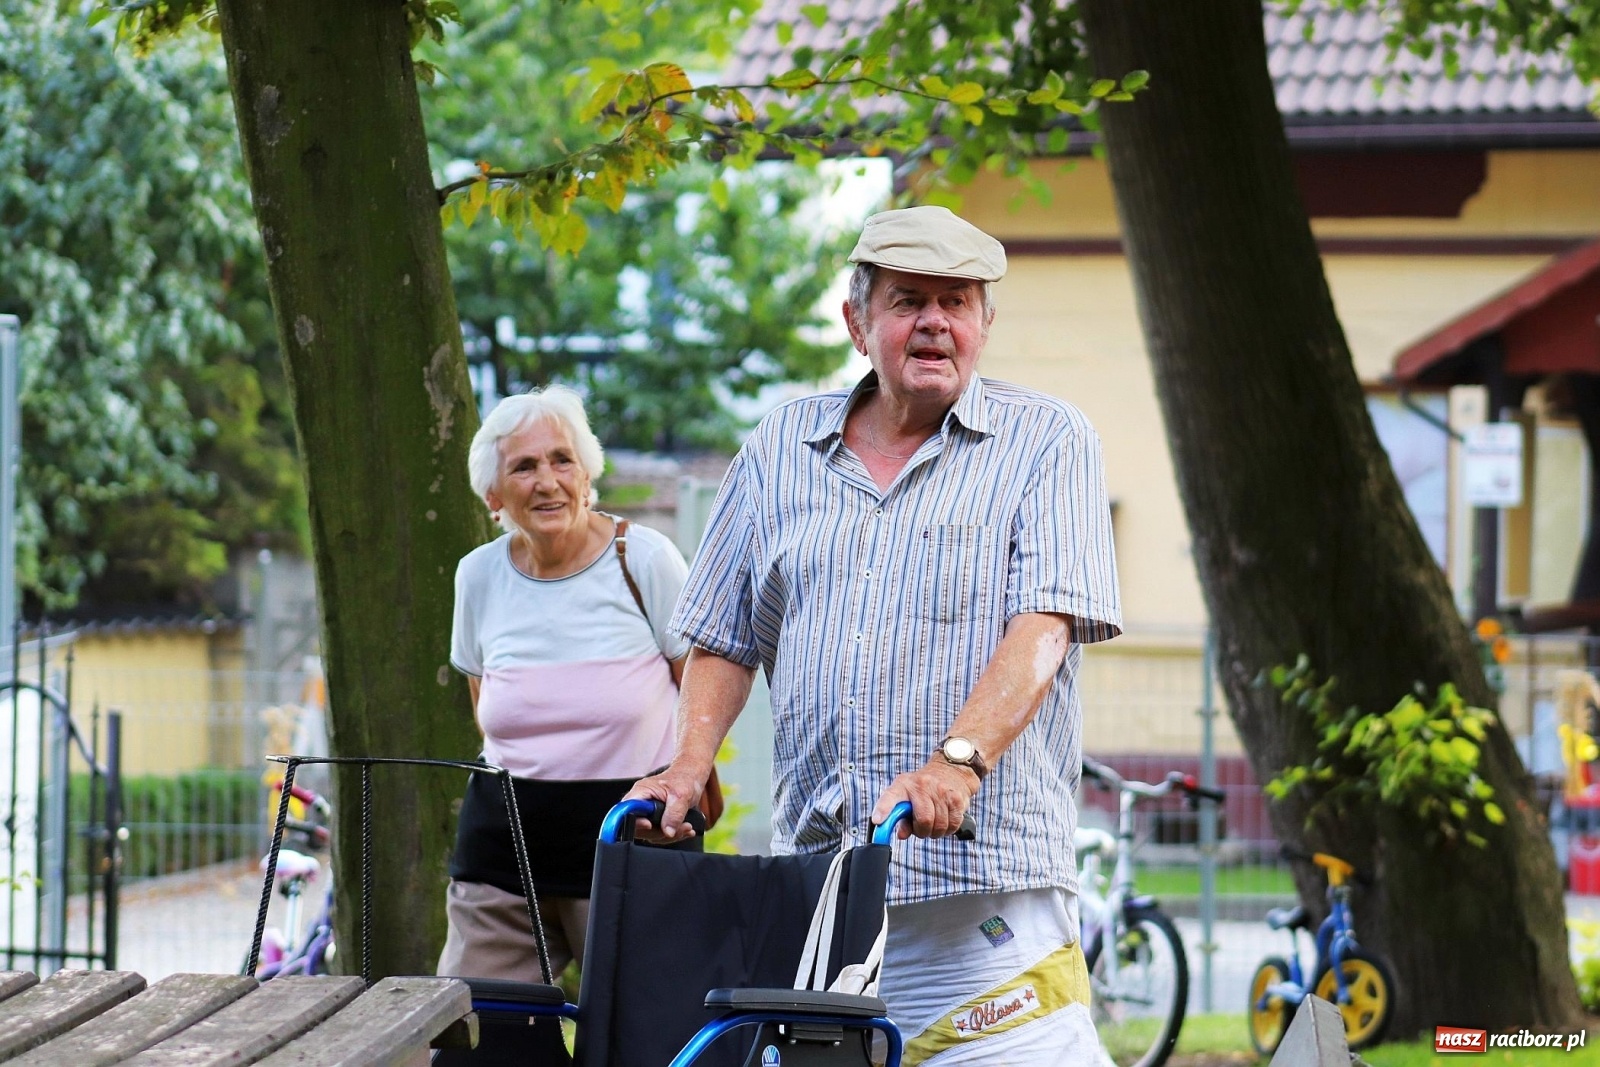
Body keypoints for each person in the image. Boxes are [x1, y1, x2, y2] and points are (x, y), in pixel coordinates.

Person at [626, 205, 1122, 1064]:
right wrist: (688, 763)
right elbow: (723, 632)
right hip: (825, 896)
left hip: (986, 903)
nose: (934, 321)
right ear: (858, 323)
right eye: (907, 300)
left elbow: (1044, 628)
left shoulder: (1048, 441)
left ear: (984, 324)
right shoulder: (780, 447)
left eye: (955, 302)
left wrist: (956, 763)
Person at [438, 384, 718, 985]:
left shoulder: (645, 559)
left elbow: (699, 693)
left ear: (587, 475)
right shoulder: (477, 576)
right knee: (475, 1025)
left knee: (643, 1025)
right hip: (503, 852)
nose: (547, 482)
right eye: (524, 466)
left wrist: (685, 782)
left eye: (562, 460)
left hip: (634, 844)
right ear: (494, 495)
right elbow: (486, 711)